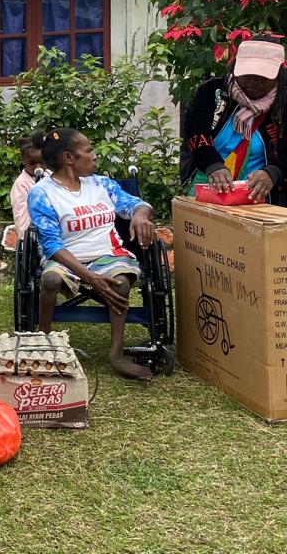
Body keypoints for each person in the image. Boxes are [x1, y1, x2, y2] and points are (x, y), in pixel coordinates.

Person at [27, 128, 157, 381]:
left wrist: (141, 216)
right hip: (66, 257)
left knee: (120, 283)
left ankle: (116, 355)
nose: (94, 155)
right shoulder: (42, 193)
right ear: (68, 158)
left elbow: (136, 204)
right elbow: (52, 245)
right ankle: (45, 342)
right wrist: (90, 276)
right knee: (50, 280)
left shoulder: (102, 185)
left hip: (108, 254)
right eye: (88, 151)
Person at [182, 37, 286, 205]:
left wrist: (274, 172)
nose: (254, 80)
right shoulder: (210, 92)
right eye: (248, 73)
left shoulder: (283, 103)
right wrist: (212, 165)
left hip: (260, 203)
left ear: (278, 75)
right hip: (210, 195)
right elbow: (195, 131)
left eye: (263, 75)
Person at [10, 134, 45, 236]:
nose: (38, 167)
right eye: (32, 163)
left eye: (42, 162)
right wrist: (26, 238)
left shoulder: (50, 176)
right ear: (23, 161)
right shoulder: (21, 184)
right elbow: (20, 217)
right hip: (36, 236)